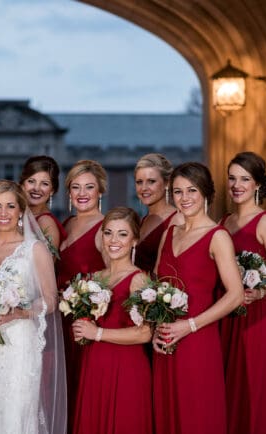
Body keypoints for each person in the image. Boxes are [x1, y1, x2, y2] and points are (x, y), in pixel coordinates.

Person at [0, 180, 66, 434]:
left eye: (10, 206)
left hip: (19, 342)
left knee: (17, 409)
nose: (3, 213)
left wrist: (18, 312)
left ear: (21, 210)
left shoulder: (35, 249)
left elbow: (51, 299)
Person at [152, 162, 244, 434]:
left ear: (206, 192)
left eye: (192, 190)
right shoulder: (169, 233)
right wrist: (156, 329)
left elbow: (236, 294)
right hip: (166, 340)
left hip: (198, 341)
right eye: (178, 191)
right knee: (167, 415)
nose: (184, 198)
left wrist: (189, 325)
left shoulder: (218, 237)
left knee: (197, 416)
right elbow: (156, 285)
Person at [220, 152, 266, 434]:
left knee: (253, 384)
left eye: (244, 179)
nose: (237, 185)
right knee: (228, 384)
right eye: (232, 178)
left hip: (255, 315)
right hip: (226, 313)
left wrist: (260, 292)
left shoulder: (265, 223)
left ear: (258, 185)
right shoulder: (224, 221)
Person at [71, 207, 153, 434]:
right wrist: (81, 327)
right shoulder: (94, 278)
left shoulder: (139, 280)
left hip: (126, 368)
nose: (113, 240)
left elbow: (145, 333)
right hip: (94, 365)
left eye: (122, 234)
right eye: (108, 233)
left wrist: (97, 333)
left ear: (134, 240)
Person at [55, 159, 107, 423]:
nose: (82, 193)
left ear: (100, 191)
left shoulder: (106, 228)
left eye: (89, 187)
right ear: (69, 193)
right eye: (76, 187)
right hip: (60, 322)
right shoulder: (65, 224)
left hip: (86, 323)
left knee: (83, 393)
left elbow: (115, 276)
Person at [133, 153, 183, 274]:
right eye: (139, 182)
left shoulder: (178, 219)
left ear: (167, 183)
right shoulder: (142, 221)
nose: (144, 188)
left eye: (151, 181)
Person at [19, 155, 66, 253]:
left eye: (45, 184)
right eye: (31, 181)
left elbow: (48, 261)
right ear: (22, 184)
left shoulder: (46, 222)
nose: (36, 188)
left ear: (52, 190)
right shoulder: (23, 216)